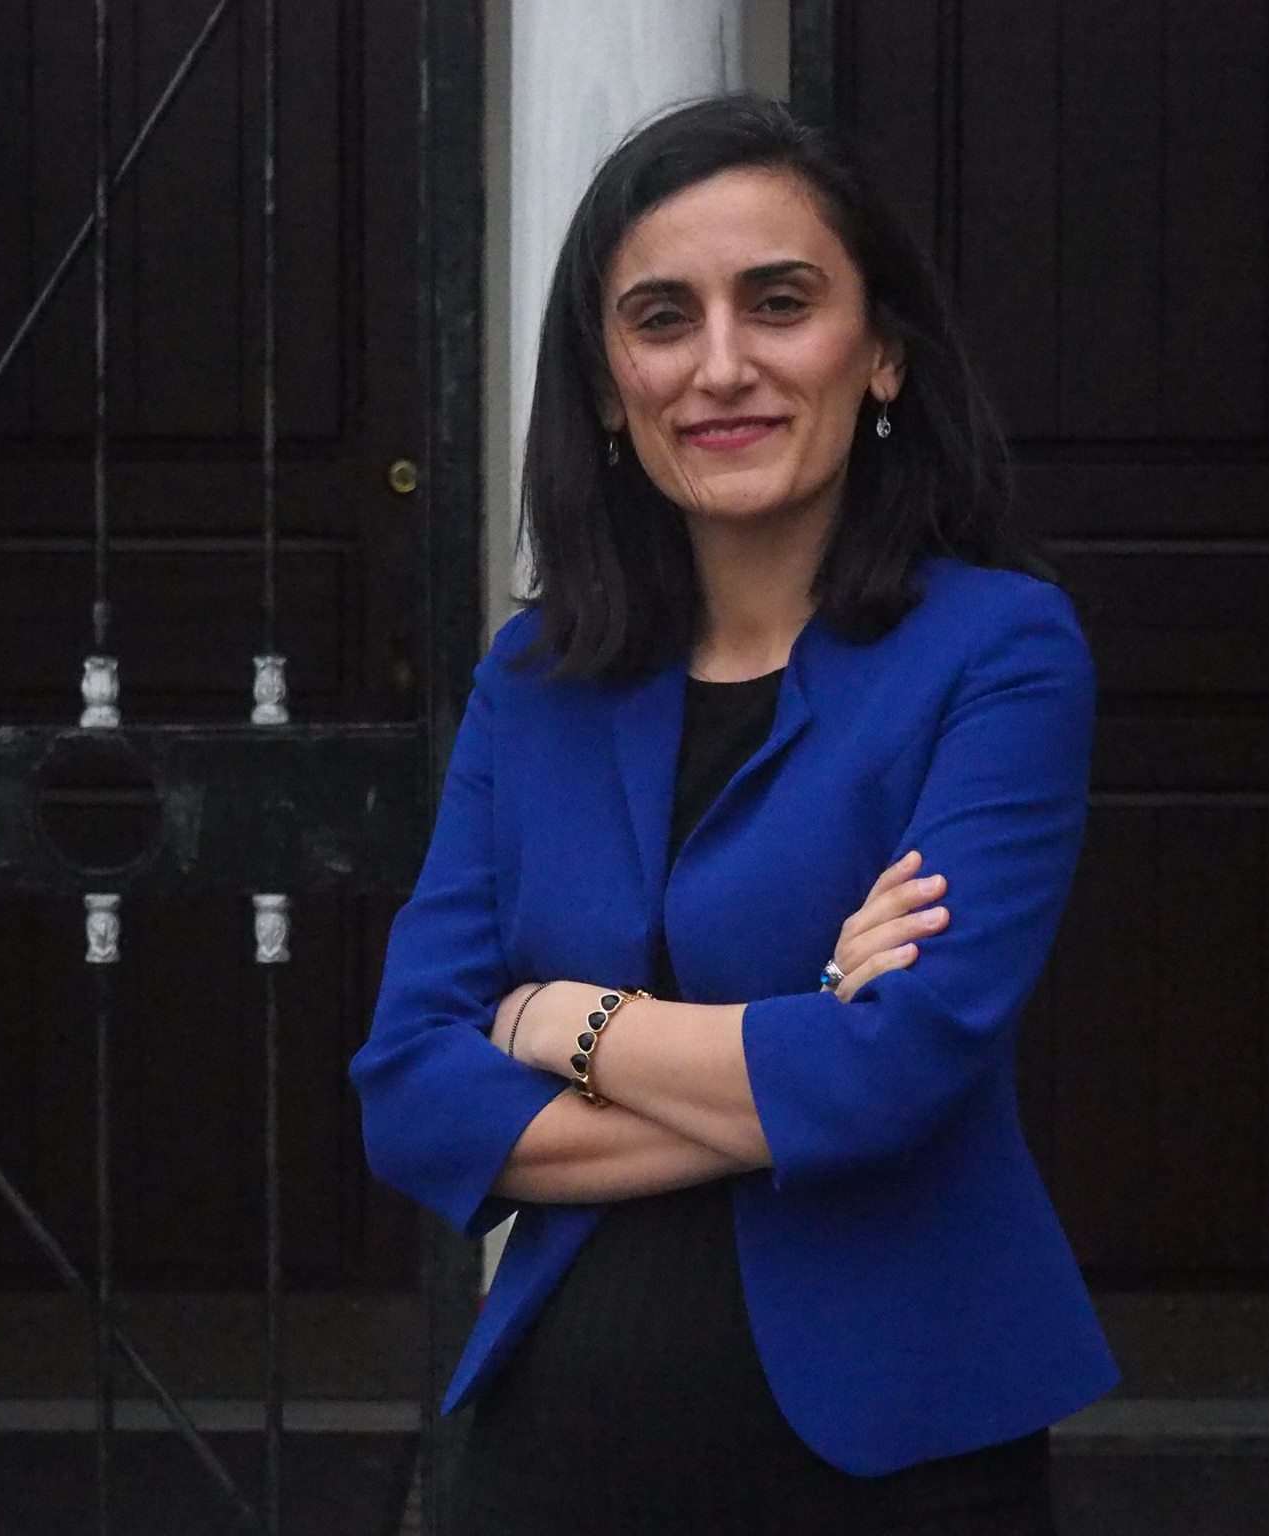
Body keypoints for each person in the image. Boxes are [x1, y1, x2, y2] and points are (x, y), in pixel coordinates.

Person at [349, 94, 1118, 1535]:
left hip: (900, 1460)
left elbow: (898, 1076)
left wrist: (560, 1021)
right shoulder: (536, 680)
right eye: (661, 318)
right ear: (606, 386)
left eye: (779, 303)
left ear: (882, 350)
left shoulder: (1001, 652)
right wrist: (809, 1036)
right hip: (557, 1452)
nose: (720, 366)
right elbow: (407, 1093)